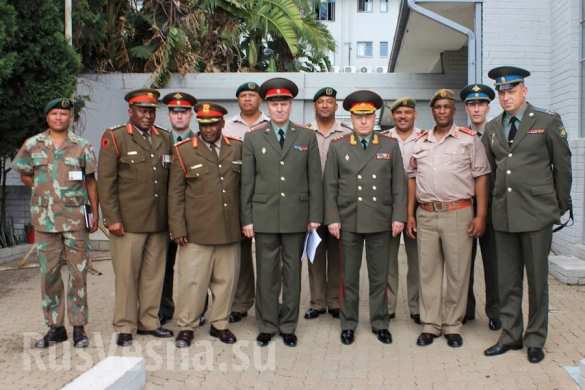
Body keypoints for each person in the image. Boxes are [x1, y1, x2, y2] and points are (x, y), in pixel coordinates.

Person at [482, 66, 572, 363]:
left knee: (537, 280)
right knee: (508, 280)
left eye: (511, 91)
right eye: (501, 92)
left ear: (524, 91)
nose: (506, 97)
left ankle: (535, 338)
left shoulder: (546, 121)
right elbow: (491, 173)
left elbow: (562, 167)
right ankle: (510, 336)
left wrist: (558, 206)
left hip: (537, 214)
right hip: (504, 215)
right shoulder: (493, 127)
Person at [241, 77, 323, 347]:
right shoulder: (253, 138)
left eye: (284, 103)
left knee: (292, 275)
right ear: (268, 105)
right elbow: (247, 182)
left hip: (296, 217)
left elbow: (314, 179)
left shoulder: (306, 136)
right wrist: (247, 219)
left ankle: (288, 325)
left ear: (290, 105)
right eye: (275, 103)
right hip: (264, 217)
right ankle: (266, 325)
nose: (279, 108)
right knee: (266, 274)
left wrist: (314, 216)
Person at [406, 89, 491, 348]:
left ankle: (453, 325)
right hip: (427, 215)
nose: (442, 111)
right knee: (428, 272)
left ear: (453, 110)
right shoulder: (420, 141)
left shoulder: (468, 139)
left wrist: (481, 215)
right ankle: (431, 324)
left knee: (458, 271)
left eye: (446, 106)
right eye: (437, 107)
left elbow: (481, 176)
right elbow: (412, 179)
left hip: (458, 212)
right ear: (431, 111)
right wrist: (410, 214)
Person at [14, 98, 99, 349]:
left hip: (75, 220)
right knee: (49, 274)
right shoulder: (33, 145)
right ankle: (55, 328)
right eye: (54, 113)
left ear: (70, 118)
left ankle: (79, 327)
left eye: (64, 114)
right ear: (47, 117)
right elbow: (24, 172)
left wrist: (94, 212)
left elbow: (91, 181)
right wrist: (43, 191)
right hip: (45, 221)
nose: (59, 118)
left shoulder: (81, 146)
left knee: (78, 274)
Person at [324, 90, 407, 345]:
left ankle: (380, 322)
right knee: (347, 276)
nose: (363, 121)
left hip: (380, 220)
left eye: (368, 116)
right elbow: (330, 186)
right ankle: (348, 323)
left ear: (374, 118)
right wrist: (333, 218)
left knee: (379, 275)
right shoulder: (338, 147)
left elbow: (399, 186)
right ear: (350, 117)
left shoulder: (389, 145)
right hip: (348, 220)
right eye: (358, 117)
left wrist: (398, 217)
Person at [97, 88, 173, 347]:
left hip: (158, 221)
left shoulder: (164, 137)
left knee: (154, 275)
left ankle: (149, 322)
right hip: (127, 223)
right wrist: (112, 218)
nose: (148, 115)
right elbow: (106, 182)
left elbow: (170, 182)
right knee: (127, 276)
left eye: (152, 110)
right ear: (130, 111)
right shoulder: (115, 137)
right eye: (143, 110)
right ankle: (124, 325)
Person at [169, 102, 242, 348]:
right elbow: (175, 195)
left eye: (213, 124)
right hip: (196, 233)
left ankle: (219, 324)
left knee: (225, 282)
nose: (209, 129)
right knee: (192, 283)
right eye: (204, 125)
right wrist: (177, 229)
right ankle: (186, 327)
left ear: (222, 123)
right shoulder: (184, 150)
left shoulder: (237, 149)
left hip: (229, 230)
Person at [223, 82, 270, 324]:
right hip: (234, 193)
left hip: (266, 196)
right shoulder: (227, 126)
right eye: (243, 95)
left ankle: (268, 303)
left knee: (268, 253)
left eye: (252, 95)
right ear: (238, 100)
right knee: (240, 253)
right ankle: (241, 303)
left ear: (260, 100)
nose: (248, 99)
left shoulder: (271, 125)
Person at [304, 87, 351, 320]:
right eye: (320, 101)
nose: (324, 105)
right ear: (315, 106)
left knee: (337, 254)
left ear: (336, 106)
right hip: (311, 202)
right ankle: (316, 301)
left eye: (329, 101)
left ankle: (334, 301)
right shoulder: (303, 133)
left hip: (338, 202)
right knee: (314, 253)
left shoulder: (346, 133)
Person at [459, 84, 501, 331]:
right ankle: (466, 309)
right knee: (463, 262)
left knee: (494, 263)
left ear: (488, 107)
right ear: (466, 107)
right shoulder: (461, 135)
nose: (476, 108)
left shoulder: (498, 133)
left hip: (495, 207)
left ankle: (495, 312)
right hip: (466, 206)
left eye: (481, 104)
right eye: (472, 104)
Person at [380, 97, 422, 325]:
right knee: (388, 261)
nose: (403, 116)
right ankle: (388, 307)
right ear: (392, 116)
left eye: (407, 112)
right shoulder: (384, 139)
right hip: (389, 207)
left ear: (414, 114)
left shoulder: (425, 138)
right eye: (398, 113)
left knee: (418, 261)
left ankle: (416, 307)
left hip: (419, 206)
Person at [158, 91, 198, 325]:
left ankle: (197, 310)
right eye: (175, 111)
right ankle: (164, 309)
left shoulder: (200, 140)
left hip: (192, 217)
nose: (179, 116)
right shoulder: (159, 141)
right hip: (162, 216)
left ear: (191, 114)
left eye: (184, 112)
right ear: (169, 114)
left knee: (195, 268)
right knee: (163, 268)